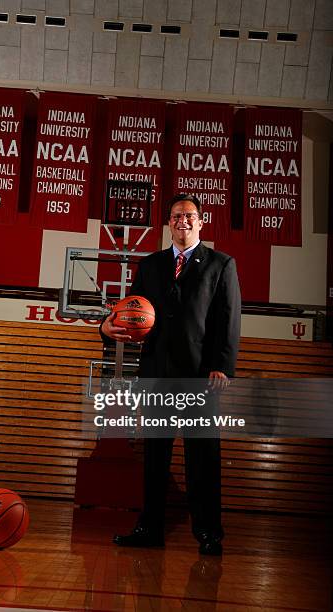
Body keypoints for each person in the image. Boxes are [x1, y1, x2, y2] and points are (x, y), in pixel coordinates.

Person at [100, 194, 241, 555]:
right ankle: (150, 529)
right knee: (155, 457)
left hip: (200, 376)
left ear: (200, 221)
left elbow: (229, 320)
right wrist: (106, 326)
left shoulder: (221, 265)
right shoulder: (150, 266)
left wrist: (222, 366)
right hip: (158, 373)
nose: (183, 221)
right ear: (168, 223)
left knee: (203, 459)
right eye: (176, 215)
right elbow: (129, 312)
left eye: (189, 215)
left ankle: (209, 533)